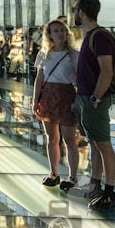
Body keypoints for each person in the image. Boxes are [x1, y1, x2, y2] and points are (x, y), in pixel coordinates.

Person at [67, 0, 115, 212]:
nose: (74, 13)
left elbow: (107, 71)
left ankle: (109, 192)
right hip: (86, 98)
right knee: (95, 143)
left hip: (94, 99)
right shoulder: (91, 36)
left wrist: (96, 98)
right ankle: (95, 185)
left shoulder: (100, 37)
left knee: (103, 144)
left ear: (81, 12)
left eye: (75, 9)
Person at [32, 19, 79, 190]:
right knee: (52, 138)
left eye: (62, 30)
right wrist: (35, 100)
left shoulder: (74, 55)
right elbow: (39, 79)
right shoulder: (44, 54)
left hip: (67, 96)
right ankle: (54, 173)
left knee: (69, 139)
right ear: (49, 35)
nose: (60, 33)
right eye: (56, 31)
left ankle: (72, 176)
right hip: (49, 96)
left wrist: (77, 101)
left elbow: (79, 81)